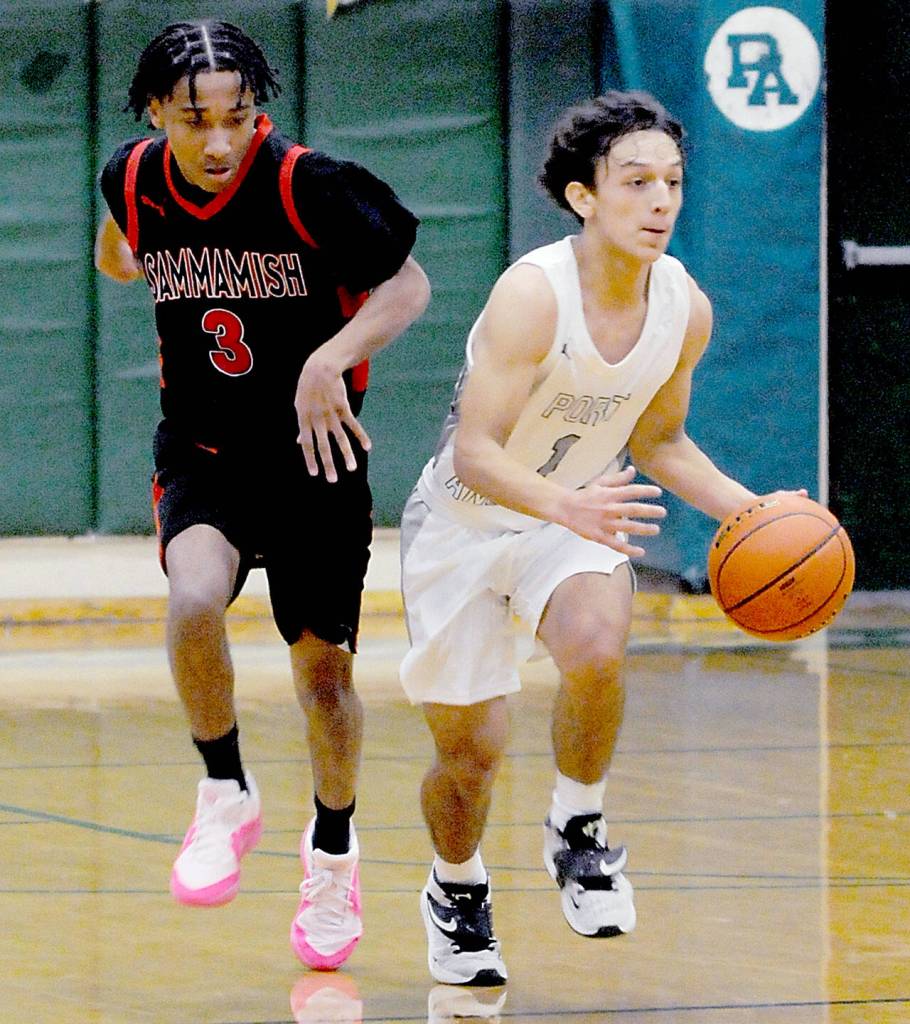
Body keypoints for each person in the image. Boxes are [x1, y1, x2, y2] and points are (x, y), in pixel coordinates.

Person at [399, 90, 805, 985]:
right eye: (635, 182)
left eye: (672, 182)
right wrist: (562, 504)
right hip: (465, 524)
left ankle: (578, 826)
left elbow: (659, 441)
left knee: (598, 644)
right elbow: (473, 453)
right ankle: (456, 886)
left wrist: (753, 511)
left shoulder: (683, 308)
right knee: (469, 756)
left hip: (571, 512)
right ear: (585, 196)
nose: (660, 201)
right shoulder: (532, 296)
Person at [94, 19, 429, 971]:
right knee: (193, 596)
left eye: (237, 117)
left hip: (316, 458)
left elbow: (408, 288)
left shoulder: (307, 184)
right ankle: (225, 790)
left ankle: (333, 853)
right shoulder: (128, 176)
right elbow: (119, 245)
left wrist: (332, 355)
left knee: (325, 678)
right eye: (195, 120)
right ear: (156, 113)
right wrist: (131, 258)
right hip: (204, 449)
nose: (218, 141)